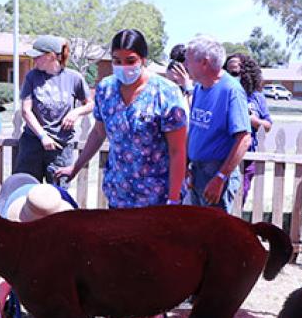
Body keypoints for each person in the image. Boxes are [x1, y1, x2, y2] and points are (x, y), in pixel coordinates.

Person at [55, 28, 188, 208]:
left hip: (158, 199)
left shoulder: (166, 93)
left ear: (143, 59)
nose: (124, 66)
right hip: (118, 195)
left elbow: (177, 151)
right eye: (117, 61)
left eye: (130, 60)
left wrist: (173, 198)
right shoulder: (105, 89)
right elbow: (98, 132)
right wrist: (76, 166)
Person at [183, 36, 251, 212]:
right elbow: (196, 130)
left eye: (188, 60)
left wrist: (220, 177)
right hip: (198, 171)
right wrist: (186, 164)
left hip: (216, 172)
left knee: (214, 235)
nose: (185, 65)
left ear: (204, 63)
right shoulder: (199, 87)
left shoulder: (231, 90)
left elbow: (244, 139)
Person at [15, 35, 92, 187]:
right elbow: (26, 111)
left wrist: (75, 112)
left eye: (37, 57)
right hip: (33, 143)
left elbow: (90, 104)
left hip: (60, 147)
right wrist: (42, 135)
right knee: (26, 189)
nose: (34, 60)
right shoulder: (32, 77)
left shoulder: (74, 78)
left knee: (58, 193)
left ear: (51, 56)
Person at [225, 53, 272, 205]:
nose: (231, 76)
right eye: (228, 72)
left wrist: (253, 121)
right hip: (224, 155)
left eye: (235, 73)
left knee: (240, 199)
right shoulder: (223, 94)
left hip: (248, 156)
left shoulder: (257, 97)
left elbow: (268, 125)